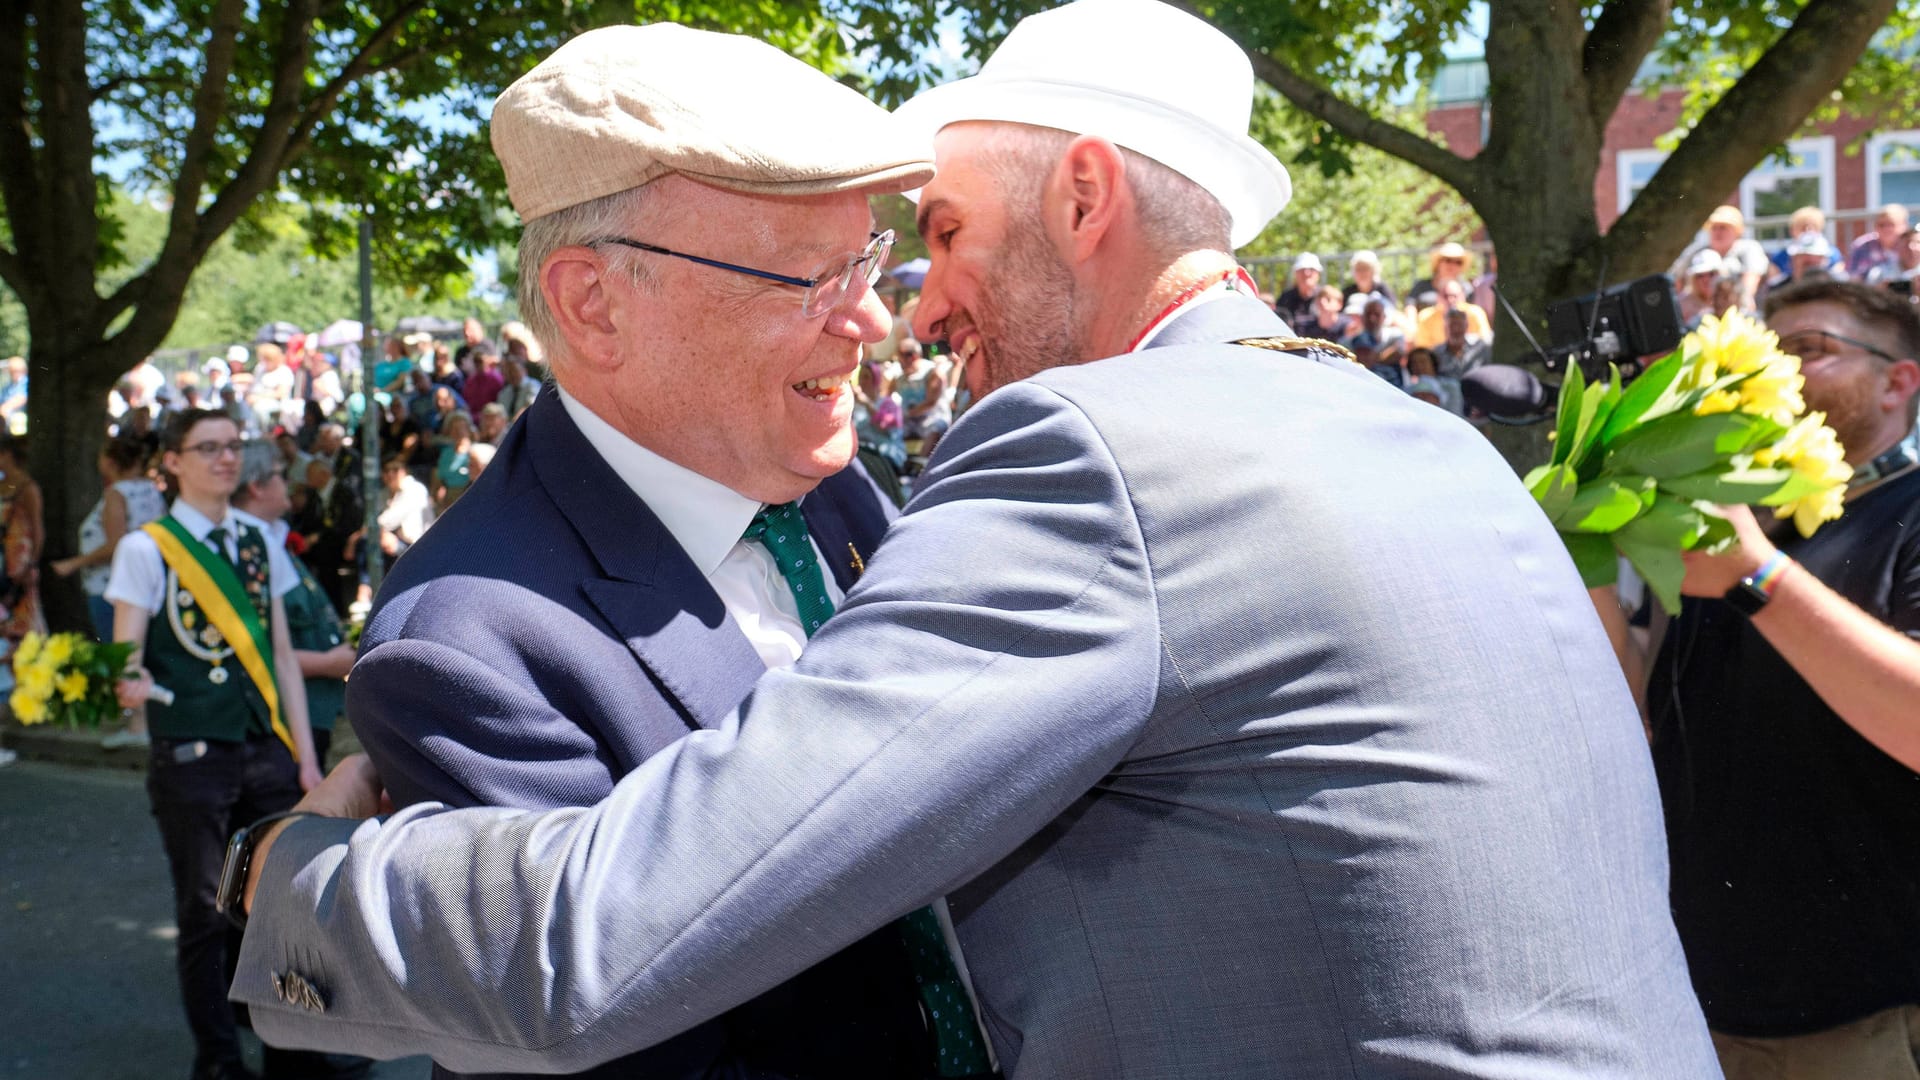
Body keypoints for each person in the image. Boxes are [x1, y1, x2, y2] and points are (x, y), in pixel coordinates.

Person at [235, 2, 1716, 1076]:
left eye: (916, 242)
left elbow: (611, 927)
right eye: (812, 271)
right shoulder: (1412, 433)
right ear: (595, 302)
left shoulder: (1091, 462)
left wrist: (283, 876)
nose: (898, 316)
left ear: (1082, 196)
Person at [246, 23, 945, 1080]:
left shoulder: (828, 475)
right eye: (811, 275)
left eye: (870, 260)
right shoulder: (465, 647)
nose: (874, 323)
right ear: (594, 304)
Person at [1595, 281, 1920, 1078]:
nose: (1777, 368)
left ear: (1898, 381)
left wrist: (1759, 579)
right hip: (1698, 1005)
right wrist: (1591, 522)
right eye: (1769, 349)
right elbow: (1638, 713)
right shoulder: (1744, 523)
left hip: (1870, 1017)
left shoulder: (1905, 512)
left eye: (1810, 348)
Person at [106, 408, 326, 1080]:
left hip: (266, 750)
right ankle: (220, 1061)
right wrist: (128, 683)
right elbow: (124, 656)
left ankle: (298, 1055)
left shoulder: (260, 540)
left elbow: (283, 657)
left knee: (282, 909)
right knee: (206, 914)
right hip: (193, 755)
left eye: (233, 447)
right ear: (170, 462)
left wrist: (308, 759)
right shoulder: (146, 548)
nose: (226, 459)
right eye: (208, 448)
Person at [231, 441, 358, 771]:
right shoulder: (243, 551)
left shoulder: (270, 539)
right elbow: (250, 651)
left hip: (312, 710)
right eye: (280, 475)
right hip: (285, 715)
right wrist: (328, 663)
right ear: (256, 487)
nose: (289, 483)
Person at [52, 437, 167, 706]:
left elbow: (117, 545)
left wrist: (74, 563)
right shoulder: (150, 489)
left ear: (112, 462)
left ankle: (133, 722)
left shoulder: (117, 494)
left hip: (111, 586)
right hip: (149, 583)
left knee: (121, 655)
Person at [1671, 205, 1769, 311]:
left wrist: (1743, 306)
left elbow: (1751, 279)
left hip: (1736, 308)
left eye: (1723, 227)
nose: (1718, 232)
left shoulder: (1748, 248)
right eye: (1714, 228)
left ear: (1737, 231)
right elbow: (1676, 279)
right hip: (1699, 311)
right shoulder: (1696, 251)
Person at [0, 435, 45, 649]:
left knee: (23, 613)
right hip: (2, 559)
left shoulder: (27, 487)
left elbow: (38, 529)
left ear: (8, 455)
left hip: (20, 562)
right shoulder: (1, 485)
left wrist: (32, 564)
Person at [1410, 277, 1492, 348]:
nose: (1451, 300)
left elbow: (1485, 342)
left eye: (1455, 296)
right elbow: (1423, 348)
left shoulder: (1476, 313)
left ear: (1463, 296)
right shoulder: (1426, 317)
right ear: (1438, 297)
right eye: (1446, 296)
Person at [1846, 203, 1909, 281]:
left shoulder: (1912, 245)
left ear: (1904, 225)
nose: (1886, 229)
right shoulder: (1862, 245)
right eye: (1882, 225)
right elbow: (1853, 278)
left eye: (1891, 224)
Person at [1404, 240, 1473, 312]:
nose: (1453, 265)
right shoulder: (1421, 285)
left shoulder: (1466, 289)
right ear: (1438, 262)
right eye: (1448, 260)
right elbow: (1410, 306)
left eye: (1458, 262)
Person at [429, 410, 475, 512]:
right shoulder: (446, 453)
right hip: (448, 496)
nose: (458, 432)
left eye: (461, 428)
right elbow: (439, 477)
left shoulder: (475, 452)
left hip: (468, 495)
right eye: (454, 429)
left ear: (468, 429)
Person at [1431, 306, 1490, 378]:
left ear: (1466, 326)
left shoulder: (1481, 348)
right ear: (1445, 328)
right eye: (1452, 325)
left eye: (1460, 325)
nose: (1456, 330)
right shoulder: (1436, 353)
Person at [1271, 250, 1321, 328]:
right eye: (1302, 269)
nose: (1306, 273)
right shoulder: (1286, 298)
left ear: (1318, 274)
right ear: (1295, 273)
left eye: (1311, 269)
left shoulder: (1326, 298)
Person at [1679, 248, 1727, 327]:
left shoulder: (1732, 299)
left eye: (1711, 274)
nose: (1706, 280)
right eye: (1699, 276)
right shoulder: (1683, 304)